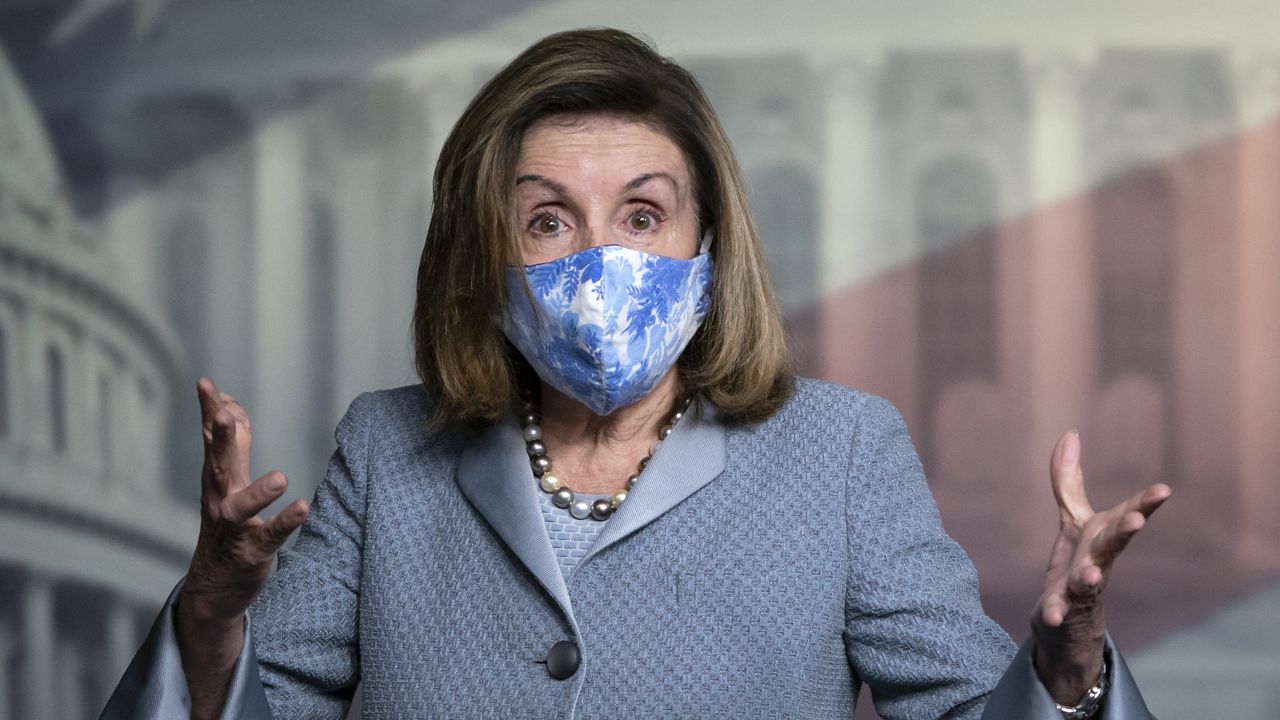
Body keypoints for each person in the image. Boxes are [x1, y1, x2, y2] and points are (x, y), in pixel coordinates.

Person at [101, 28, 1170, 719]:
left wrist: (1066, 666)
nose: (600, 259)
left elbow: (976, 713)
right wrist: (208, 611)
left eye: (643, 216)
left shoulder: (838, 451)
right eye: (547, 219)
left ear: (710, 244)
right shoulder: (386, 450)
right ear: (484, 252)